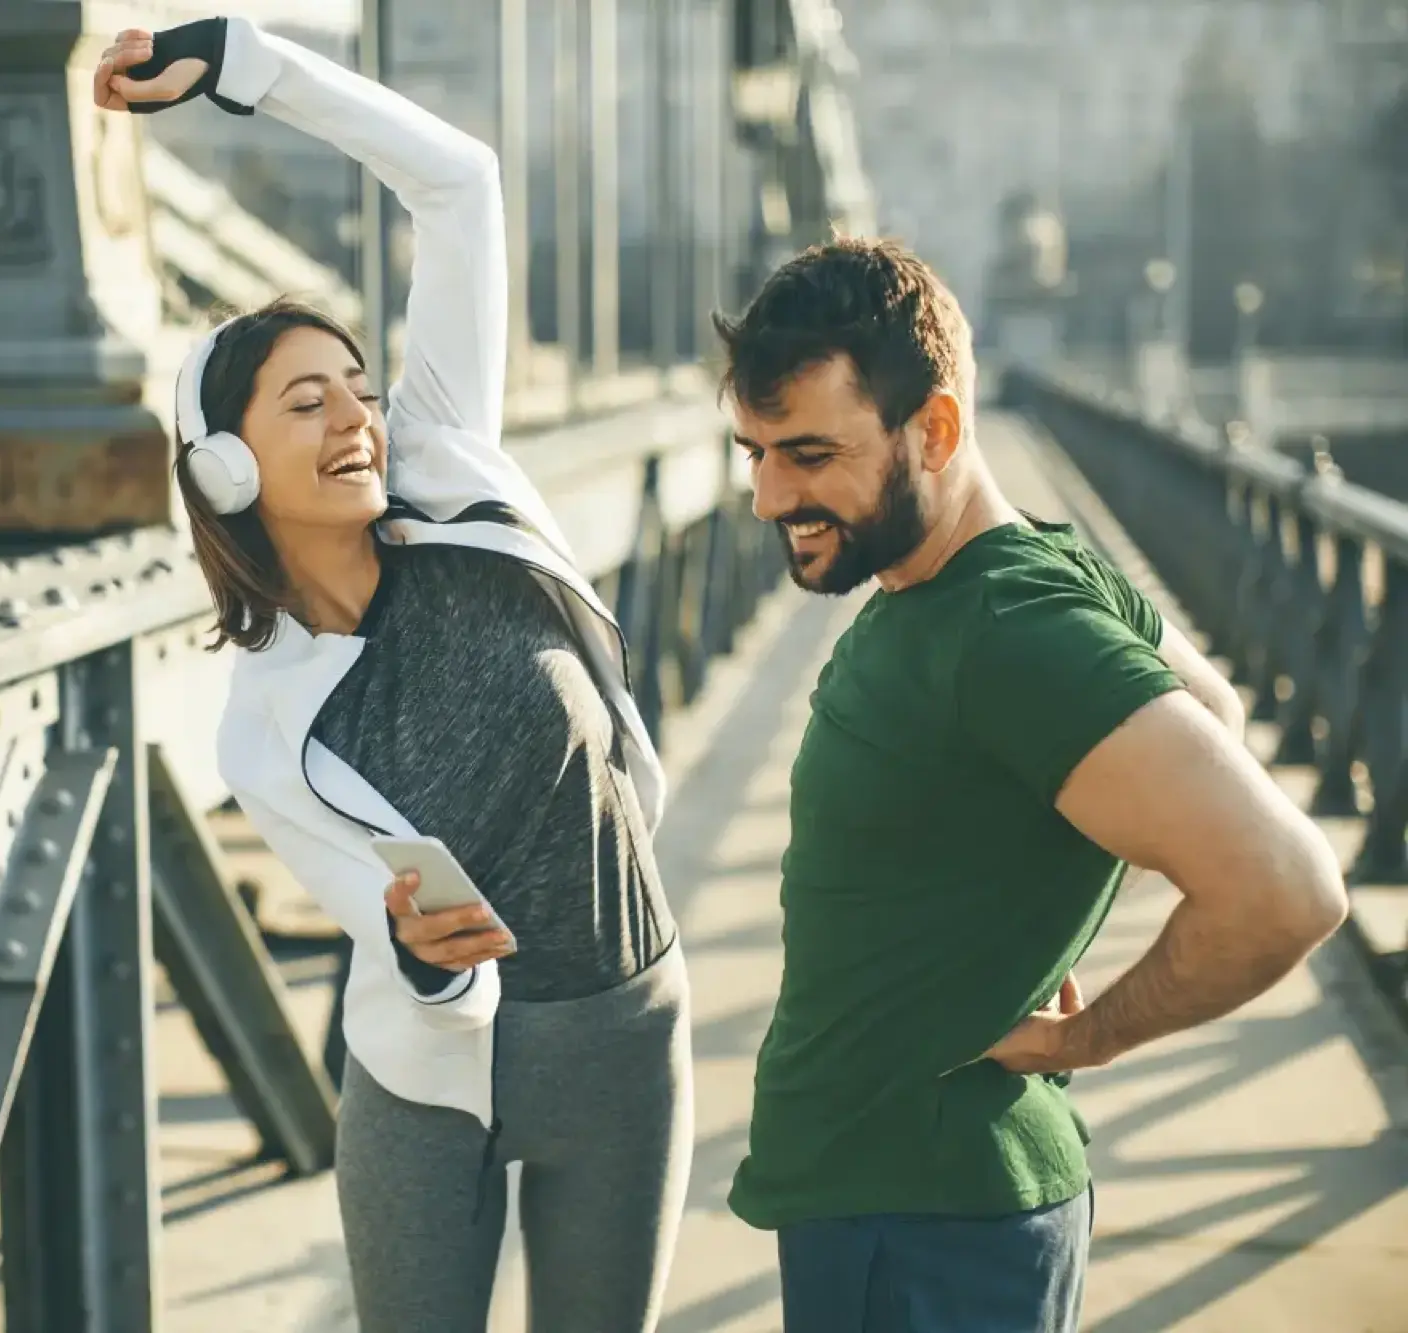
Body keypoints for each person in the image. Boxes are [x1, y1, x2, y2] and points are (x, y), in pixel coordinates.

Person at [93, 18, 692, 1332]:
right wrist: (421, 951)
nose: (356, 420)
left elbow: (459, 181)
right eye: (305, 403)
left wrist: (243, 61)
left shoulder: (451, 467)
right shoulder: (265, 728)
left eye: (356, 389)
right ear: (227, 471)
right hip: (427, 1084)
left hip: (621, 1033)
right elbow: (400, 941)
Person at [714, 236, 1349, 1331]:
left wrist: (1088, 1030)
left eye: (809, 453)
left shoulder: (1011, 629)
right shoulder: (1008, 577)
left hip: (920, 1230)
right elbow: (1216, 720)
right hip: (914, 1209)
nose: (770, 494)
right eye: (754, 451)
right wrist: (1022, 908)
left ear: (937, 429)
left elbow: (1284, 887)